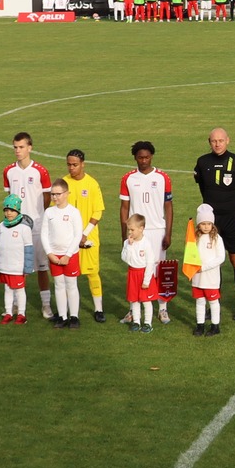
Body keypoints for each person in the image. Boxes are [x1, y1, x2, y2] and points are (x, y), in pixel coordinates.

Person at [193, 128, 235, 320]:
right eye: (213, 141)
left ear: (228, 140)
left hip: (233, 219)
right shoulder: (203, 162)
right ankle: (214, 302)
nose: (217, 144)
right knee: (212, 262)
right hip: (211, 223)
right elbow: (203, 188)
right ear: (208, 142)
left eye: (221, 140)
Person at [120, 141, 174, 324]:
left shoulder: (162, 177)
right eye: (140, 157)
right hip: (136, 232)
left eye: (147, 157)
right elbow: (124, 207)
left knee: (157, 270)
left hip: (157, 231)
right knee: (135, 269)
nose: (144, 160)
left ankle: (162, 309)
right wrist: (124, 233)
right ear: (135, 157)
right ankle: (132, 310)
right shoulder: (128, 178)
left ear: (152, 156)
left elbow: (169, 206)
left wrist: (168, 232)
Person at [4, 132, 53, 309]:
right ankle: (16, 304)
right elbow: (9, 197)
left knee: (41, 267)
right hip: (17, 226)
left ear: (30, 148)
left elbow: (47, 197)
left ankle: (46, 304)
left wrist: (41, 217)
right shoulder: (9, 171)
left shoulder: (40, 171)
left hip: (37, 226)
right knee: (17, 268)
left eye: (21, 147)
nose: (18, 151)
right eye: (15, 147)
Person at [61, 150, 108, 322]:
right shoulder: (63, 183)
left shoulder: (92, 184)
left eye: (75, 164)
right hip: (67, 239)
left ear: (82, 164)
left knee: (92, 272)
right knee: (68, 276)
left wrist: (84, 233)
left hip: (88, 238)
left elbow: (98, 211)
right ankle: (67, 311)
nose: (71, 168)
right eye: (69, 164)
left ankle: (98, 309)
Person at [39, 180, 86, 328]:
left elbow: (78, 234)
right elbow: (44, 234)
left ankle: (74, 316)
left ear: (66, 194)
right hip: (54, 255)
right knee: (59, 285)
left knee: (71, 284)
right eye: (53, 194)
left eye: (58, 194)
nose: (55, 197)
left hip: (69, 255)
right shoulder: (49, 212)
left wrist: (68, 255)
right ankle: (62, 316)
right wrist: (50, 253)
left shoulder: (73, 212)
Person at [186, 205, 228, 336]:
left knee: (213, 302)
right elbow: (190, 254)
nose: (205, 227)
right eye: (203, 224)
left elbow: (221, 257)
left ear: (212, 224)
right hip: (197, 278)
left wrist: (203, 268)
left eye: (208, 224)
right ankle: (200, 325)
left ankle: (215, 326)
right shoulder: (194, 239)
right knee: (199, 301)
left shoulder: (216, 238)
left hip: (211, 278)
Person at [0, 194, 34, 324]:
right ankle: (8, 312)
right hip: (5, 265)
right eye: (6, 210)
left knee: (19, 290)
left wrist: (28, 267)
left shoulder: (24, 228)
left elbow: (28, 249)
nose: (9, 213)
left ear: (17, 211)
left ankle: (21, 314)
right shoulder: (1, 226)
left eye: (11, 210)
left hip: (17, 266)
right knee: (7, 289)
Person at [122, 212, 161, 331]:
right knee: (134, 300)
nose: (129, 233)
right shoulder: (127, 242)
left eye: (132, 230)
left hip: (144, 274)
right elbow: (124, 258)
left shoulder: (146, 244)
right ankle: (136, 322)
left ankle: (148, 323)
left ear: (141, 229)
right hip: (132, 273)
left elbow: (150, 263)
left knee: (146, 300)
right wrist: (129, 246)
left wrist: (146, 280)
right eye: (128, 230)